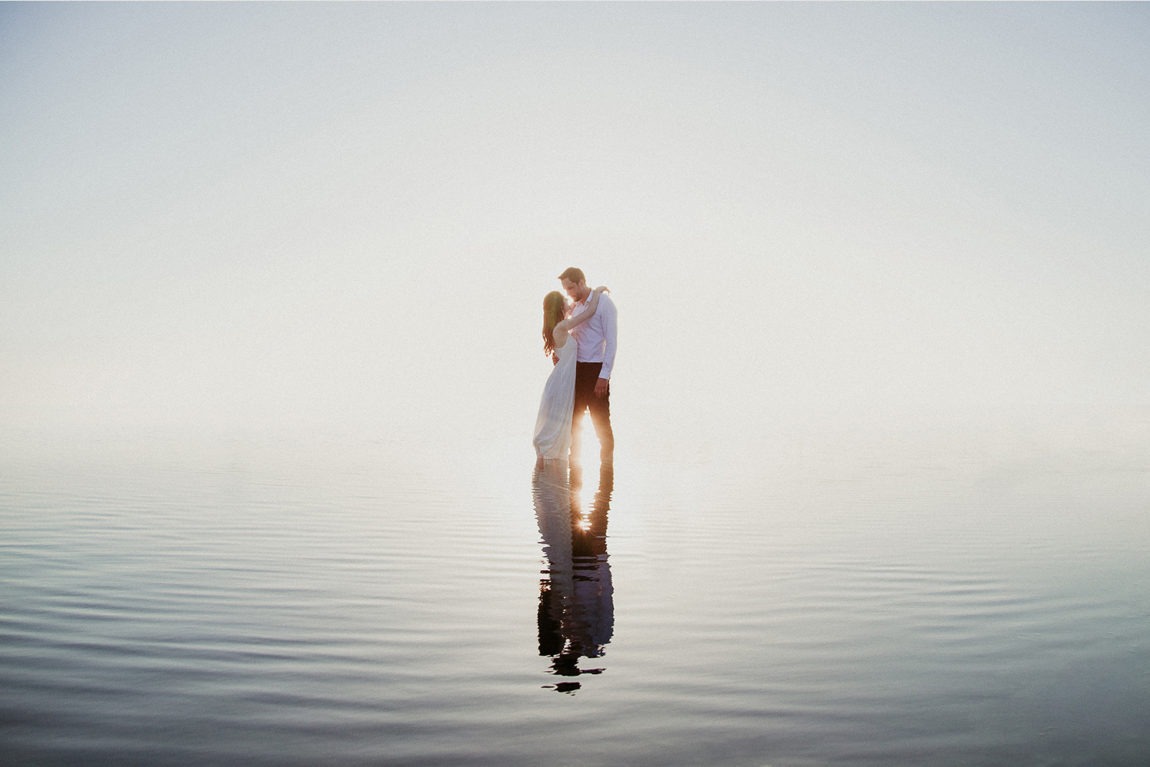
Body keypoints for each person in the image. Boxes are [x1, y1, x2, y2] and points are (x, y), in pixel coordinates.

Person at [532, 284, 609, 466]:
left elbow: (576, 309)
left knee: (559, 424)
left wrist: (579, 300)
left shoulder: (560, 328)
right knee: (554, 425)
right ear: (560, 308)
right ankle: (541, 464)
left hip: (564, 381)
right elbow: (588, 313)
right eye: (566, 301)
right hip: (561, 383)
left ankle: (545, 468)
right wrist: (596, 293)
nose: (570, 303)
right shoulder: (562, 327)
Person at [558, 267, 617, 466]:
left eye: (571, 288)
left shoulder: (604, 304)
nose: (569, 293)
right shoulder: (576, 308)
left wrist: (604, 376)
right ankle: (574, 472)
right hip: (576, 371)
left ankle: (607, 470)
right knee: (574, 421)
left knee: (601, 422)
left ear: (582, 282)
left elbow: (612, 342)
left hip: (596, 370)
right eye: (566, 290)